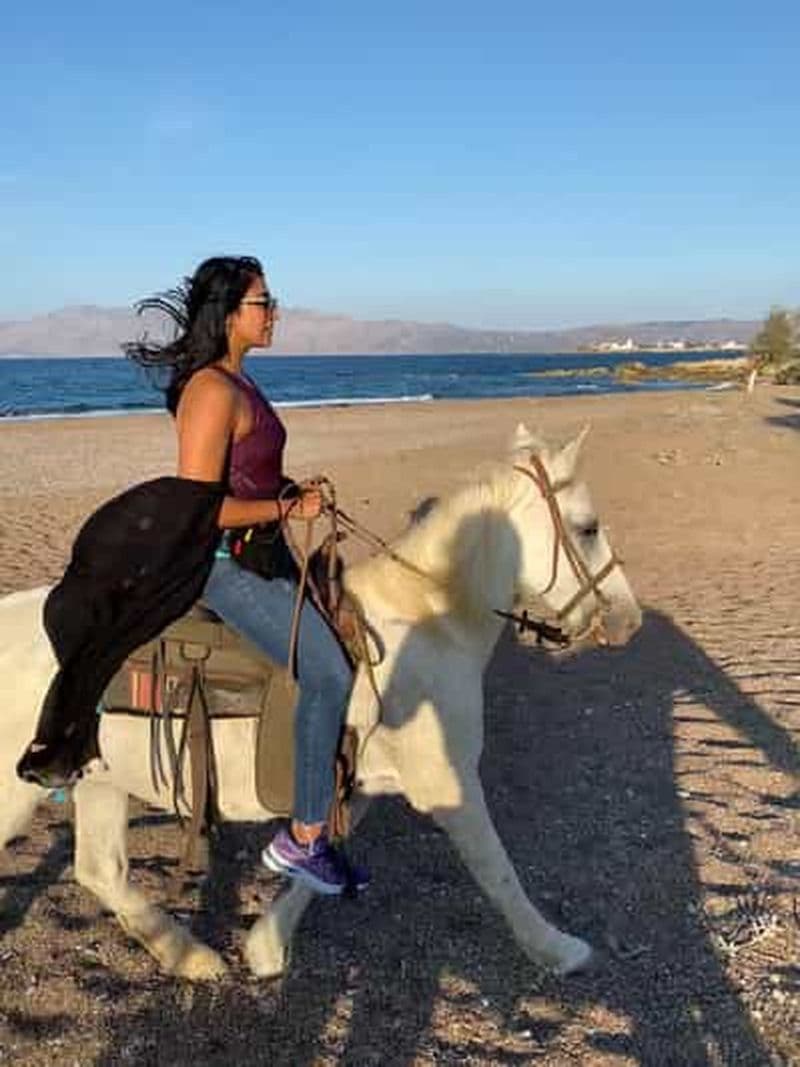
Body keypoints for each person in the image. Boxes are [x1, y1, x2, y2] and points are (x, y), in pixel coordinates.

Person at [125, 255, 364, 896]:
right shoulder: (210, 391)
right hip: (220, 565)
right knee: (329, 672)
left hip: (263, 550)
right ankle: (304, 838)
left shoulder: (243, 382)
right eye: (264, 302)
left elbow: (249, 477)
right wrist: (287, 507)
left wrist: (290, 489)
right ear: (230, 314)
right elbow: (201, 508)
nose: (275, 312)